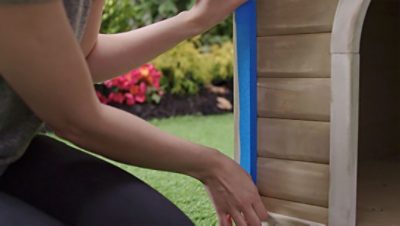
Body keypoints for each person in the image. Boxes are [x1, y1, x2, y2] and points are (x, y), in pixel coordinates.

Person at [0, 0, 269, 225]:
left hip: (11, 154)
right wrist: (212, 165)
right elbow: (75, 119)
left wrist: (196, 20)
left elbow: (85, 57)